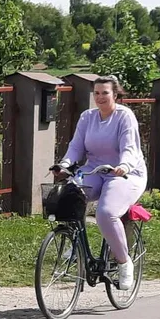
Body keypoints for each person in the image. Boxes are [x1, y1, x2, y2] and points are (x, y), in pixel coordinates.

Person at [52, 75, 147, 291]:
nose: (100, 97)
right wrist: (65, 164)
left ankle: (124, 263)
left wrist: (124, 165)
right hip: (94, 170)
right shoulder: (87, 117)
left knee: (105, 213)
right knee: (69, 196)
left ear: (115, 94)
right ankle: (76, 245)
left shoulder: (124, 116)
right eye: (96, 93)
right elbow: (76, 147)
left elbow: (130, 148)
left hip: (124, 174)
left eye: (105, 93)